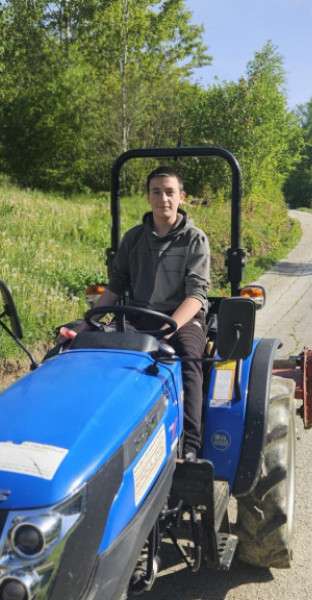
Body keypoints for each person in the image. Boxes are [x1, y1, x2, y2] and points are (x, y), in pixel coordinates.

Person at [59, 165, 210, 459]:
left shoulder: (194, 239)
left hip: (183, 317)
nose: (163, 198)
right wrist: (85, 324)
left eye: (169, 192)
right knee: (101, 354)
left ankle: (191, 445)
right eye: (156, 192)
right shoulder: (133, 238)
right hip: (138, 316)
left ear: (181, 196)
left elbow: (196, 294)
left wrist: (172, 326)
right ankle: (99, 437)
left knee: (190, 362)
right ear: (147, 197)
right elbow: (116, 286)